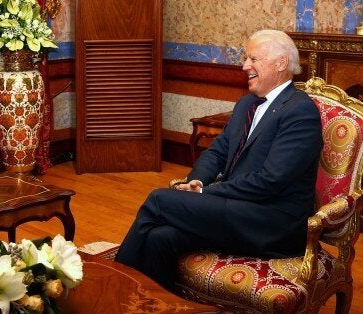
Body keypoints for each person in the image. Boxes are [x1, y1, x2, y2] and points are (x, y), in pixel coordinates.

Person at [115, 29, 323, 291]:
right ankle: (158, 305)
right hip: (235, 208)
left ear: (281, 63)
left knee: (158, 199)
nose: (244, 66)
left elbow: (270, 181)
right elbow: (217, 151)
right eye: (246, 58)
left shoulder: (300, 111)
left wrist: (206, 191)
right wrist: (196, 181)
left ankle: (115, 286)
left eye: (253, 59)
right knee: (160, 237)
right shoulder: (246, 104)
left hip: (270, 222)